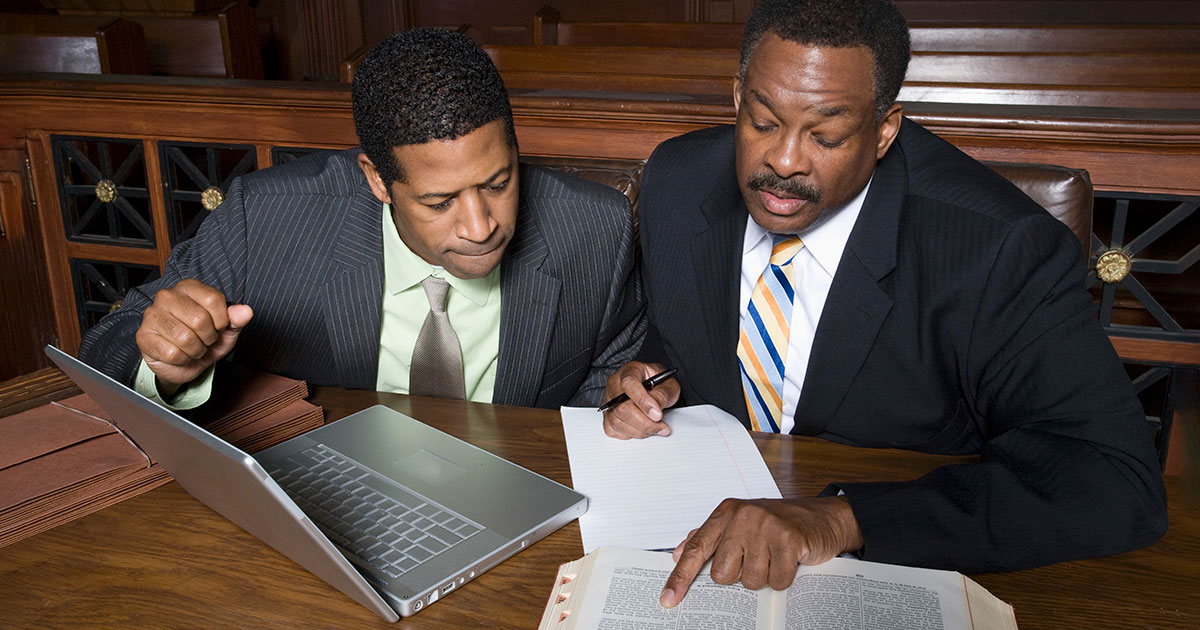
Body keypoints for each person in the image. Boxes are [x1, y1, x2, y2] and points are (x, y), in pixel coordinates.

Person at [601, 0, 1167, 609]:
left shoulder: (998, 248)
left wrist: (842, 519)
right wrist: (649, 379)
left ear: (885, 130)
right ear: (738, 99)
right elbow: (678, 334)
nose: (784, 160)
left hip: (897, 578)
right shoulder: (678, 178)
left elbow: (1114, 480)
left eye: (826, 135)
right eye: (763, 123)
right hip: (688, 555)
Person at [78, 28, 645, 410]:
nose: (481, 226)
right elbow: (108, 346)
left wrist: (623, 402)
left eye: (498, 183)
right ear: (376, 178)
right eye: (439, 201)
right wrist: (165, 364)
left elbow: (609, 385)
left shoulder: (595, 230)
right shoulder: (266, 220)